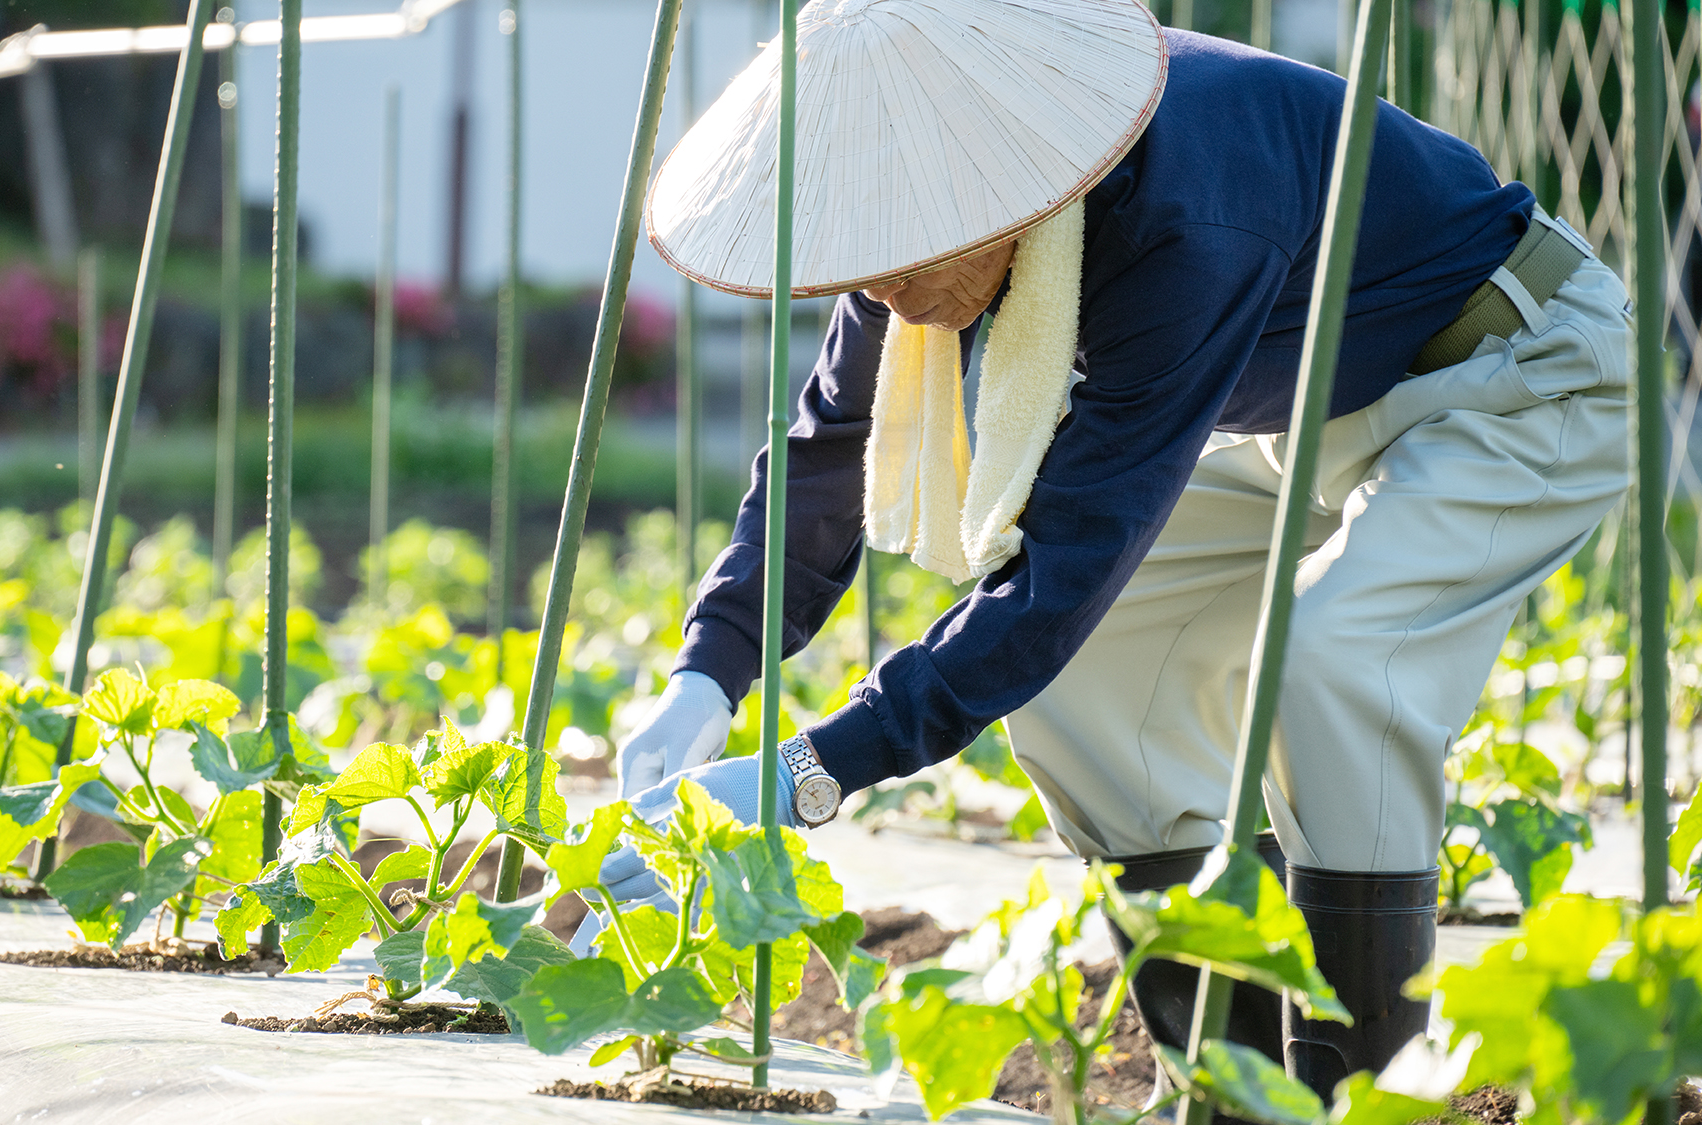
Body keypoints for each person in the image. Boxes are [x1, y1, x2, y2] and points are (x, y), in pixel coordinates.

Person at [597, 0, 1631, 1104]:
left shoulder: (1182, 209)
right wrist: (708, 671)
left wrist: (813, 770)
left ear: (1001, 183)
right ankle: (1230, 1088)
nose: (883, 295)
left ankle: (1355, 1094)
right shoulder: (910, 219)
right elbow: (829, 447)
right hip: (1311, 416)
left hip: (1513, 371)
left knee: (1333, 662)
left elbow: (1070, 561)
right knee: (1081, 679)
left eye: (898, 262)